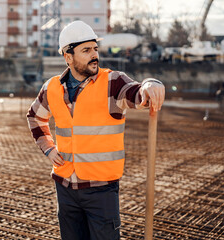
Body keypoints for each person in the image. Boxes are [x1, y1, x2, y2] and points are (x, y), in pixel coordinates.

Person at [26, 21, 165, 240]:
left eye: (95, 49)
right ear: (68, 57)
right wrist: (48, 149)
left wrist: (150, 84)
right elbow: (35, 117)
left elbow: (138, 94)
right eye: (86, 50)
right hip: (65, 188)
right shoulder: (51, 88)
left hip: (101, 192)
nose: (94, 55)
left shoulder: (112, 82)